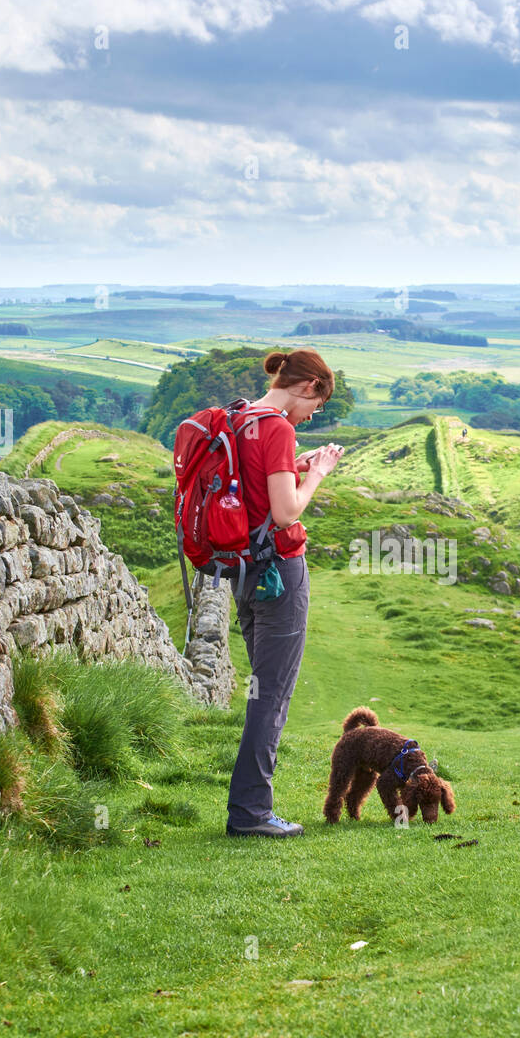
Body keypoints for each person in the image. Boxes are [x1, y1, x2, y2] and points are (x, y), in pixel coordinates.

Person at [226, 348, 343, 837]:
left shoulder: (240, 417)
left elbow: (252, 487)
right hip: (279, 570)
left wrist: (293, 464)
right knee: (271, 695)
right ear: (309, 385)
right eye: (318, 404)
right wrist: (316, 473)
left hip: (242, 570)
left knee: (261, 688)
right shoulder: (277, 426)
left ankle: (249, 807)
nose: (313, 414)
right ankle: (251, 814)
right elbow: (285, 513)